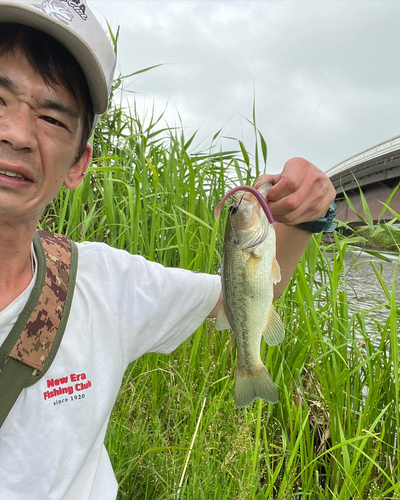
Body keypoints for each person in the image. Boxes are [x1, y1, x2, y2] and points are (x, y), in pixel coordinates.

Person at [0, 1, 336, 499]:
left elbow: (245, 294)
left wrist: (304, 217)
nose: (17, 133)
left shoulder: (105, 282)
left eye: (51, 117)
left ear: (78, 164)